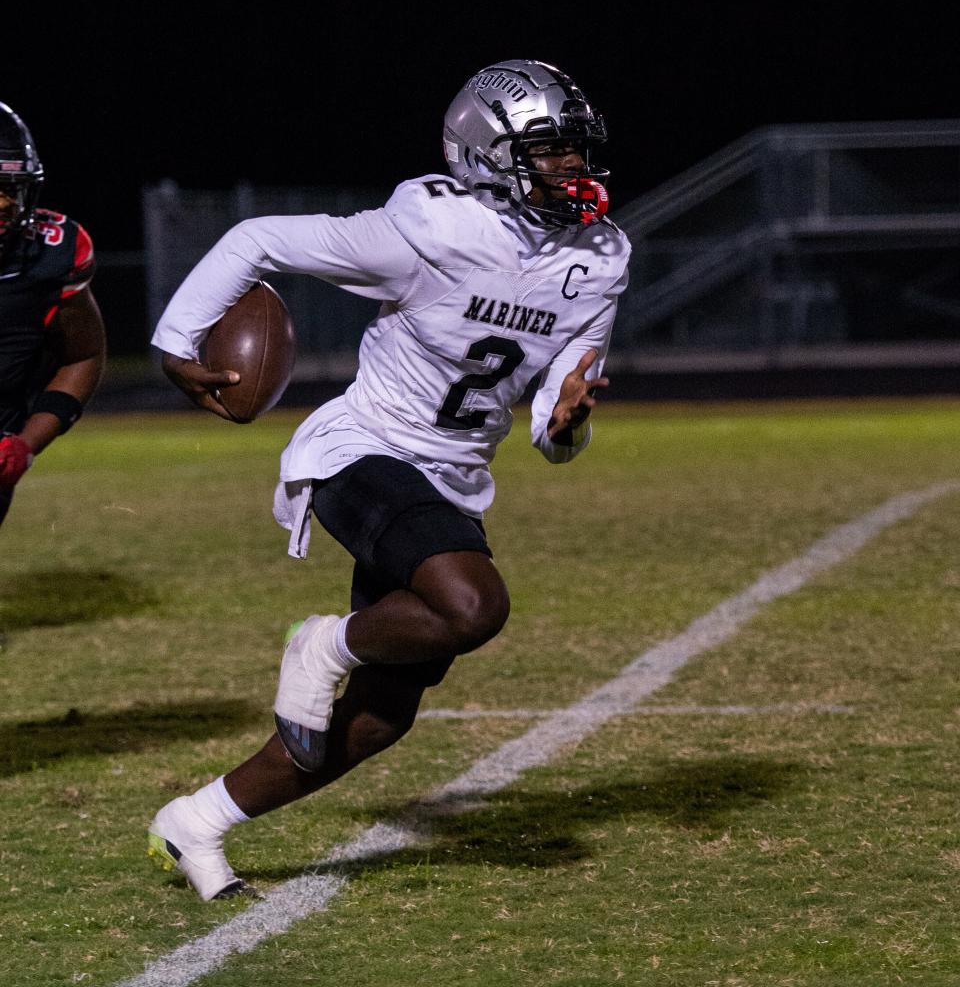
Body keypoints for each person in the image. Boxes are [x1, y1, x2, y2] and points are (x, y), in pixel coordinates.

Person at [147, 59, 632, 900]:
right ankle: (323, 641)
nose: (570, 169)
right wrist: (176, 343)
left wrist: (568, 417)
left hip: (450, 481)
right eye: (549, 151)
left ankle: (198, 821)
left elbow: (555, 429)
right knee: (473, 606)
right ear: (487, 155)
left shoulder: (600, 259)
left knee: (378, 720)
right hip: (362, 451)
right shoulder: (430, 230)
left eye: (576, 151)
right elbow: (256, 239)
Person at [0, 102, 106, 526]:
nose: (4, 204)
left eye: (11, 188)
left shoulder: (51, 254)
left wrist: (24, 447)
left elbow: (82, 356)